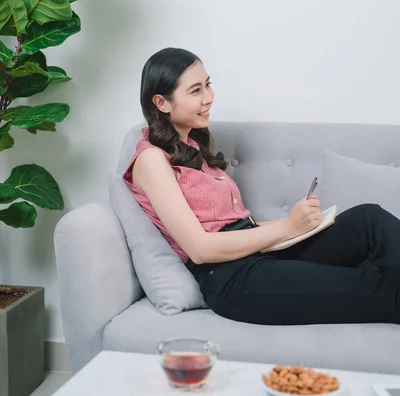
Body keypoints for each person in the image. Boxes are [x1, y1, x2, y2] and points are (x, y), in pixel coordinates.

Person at [123, 47, 400, 325]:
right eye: (195, 91)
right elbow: (201, 248)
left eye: (208, 85)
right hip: (231, 279)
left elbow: (242, 227)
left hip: (260, 252)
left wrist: (296, 225)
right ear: (161, 102)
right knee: (376, 287)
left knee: (369, 219)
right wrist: (286, 227)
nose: (208, 98)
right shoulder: (151, 159)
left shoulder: (192, 145)